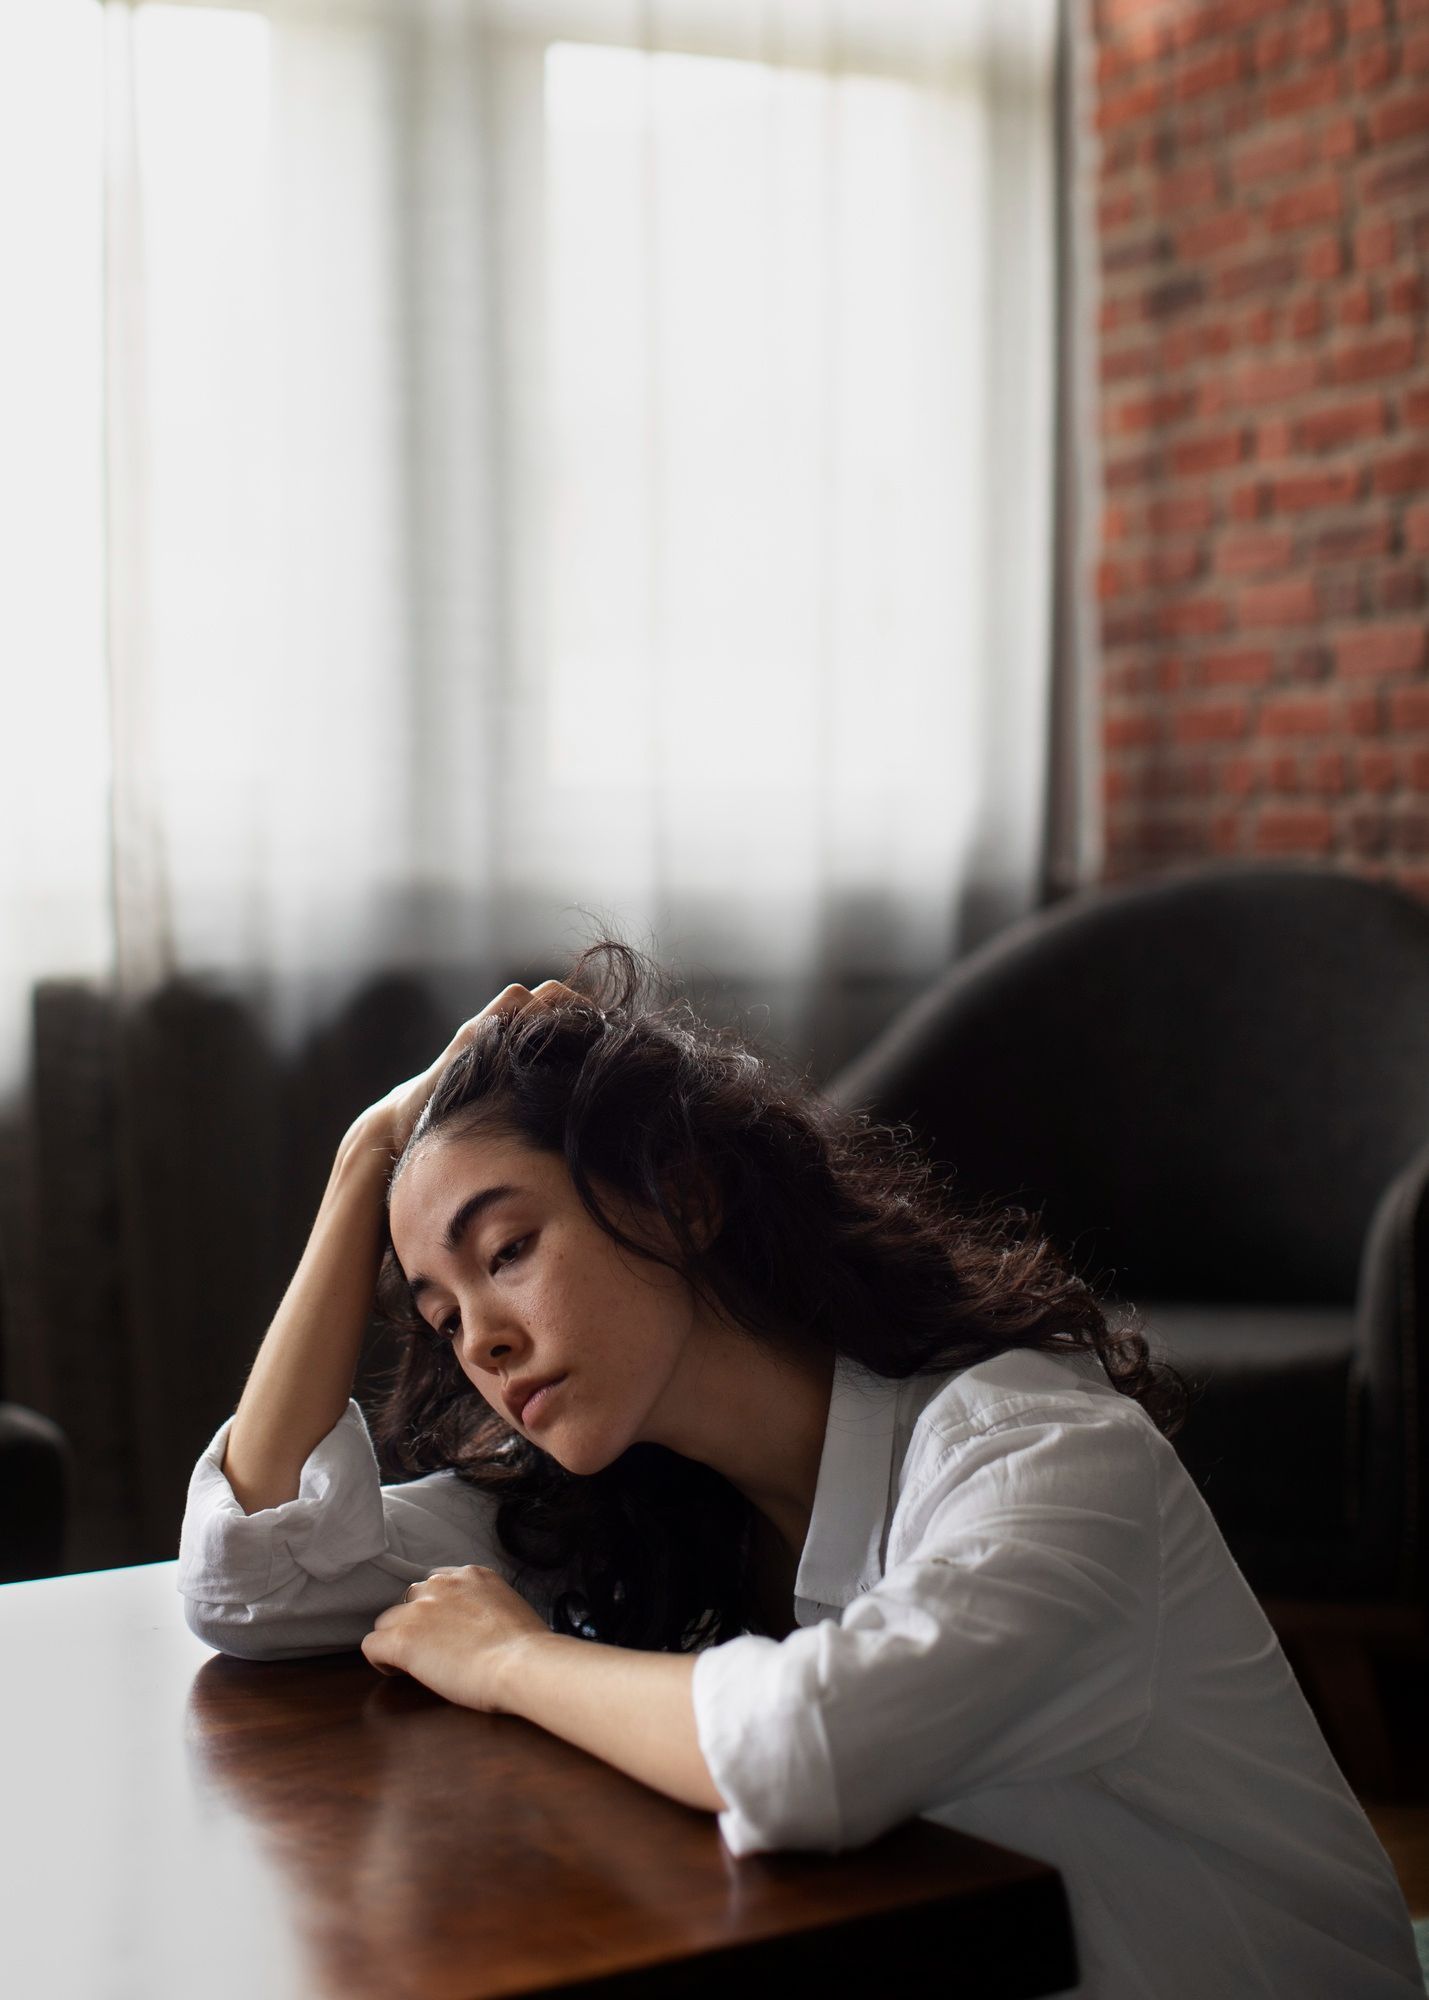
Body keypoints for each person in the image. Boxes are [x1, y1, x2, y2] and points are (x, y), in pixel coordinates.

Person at [178, 939, 1424, 1999]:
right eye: (443, 1316)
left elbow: (812, 1747)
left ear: (684, 1196)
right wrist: (363, 1164)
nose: (484, 1342)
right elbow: (254, 1584)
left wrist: (513, 1659)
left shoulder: (1037, 1449)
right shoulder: (626, 1495)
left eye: (506, 1248)